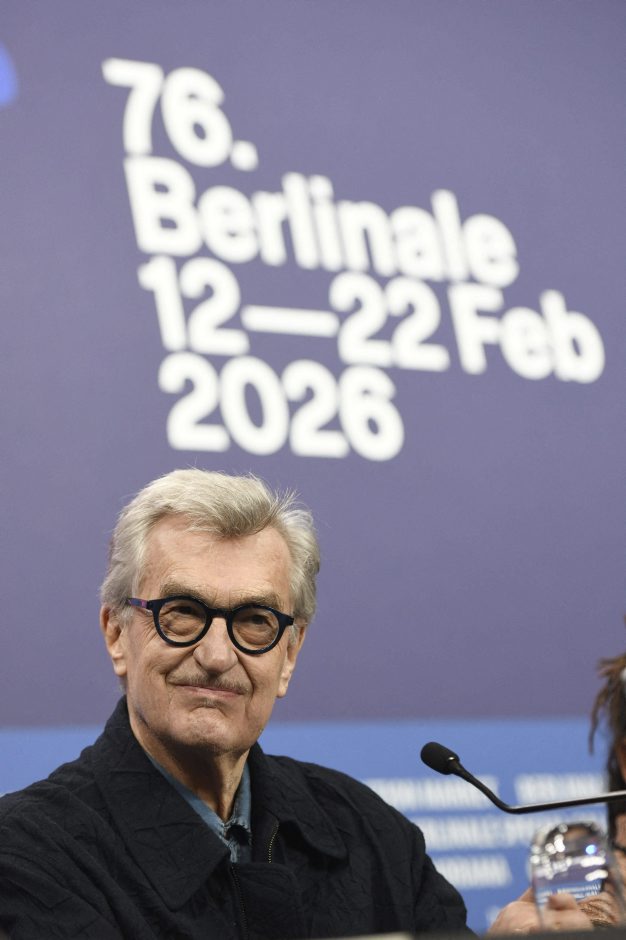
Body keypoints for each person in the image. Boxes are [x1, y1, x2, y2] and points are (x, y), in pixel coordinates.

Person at [0, 468, 468, 939]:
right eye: (182, 612)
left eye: (255, 620)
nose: (217, 656)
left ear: (289, 654)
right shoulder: (24, 856)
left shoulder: (372, 834)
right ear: (116, 634)